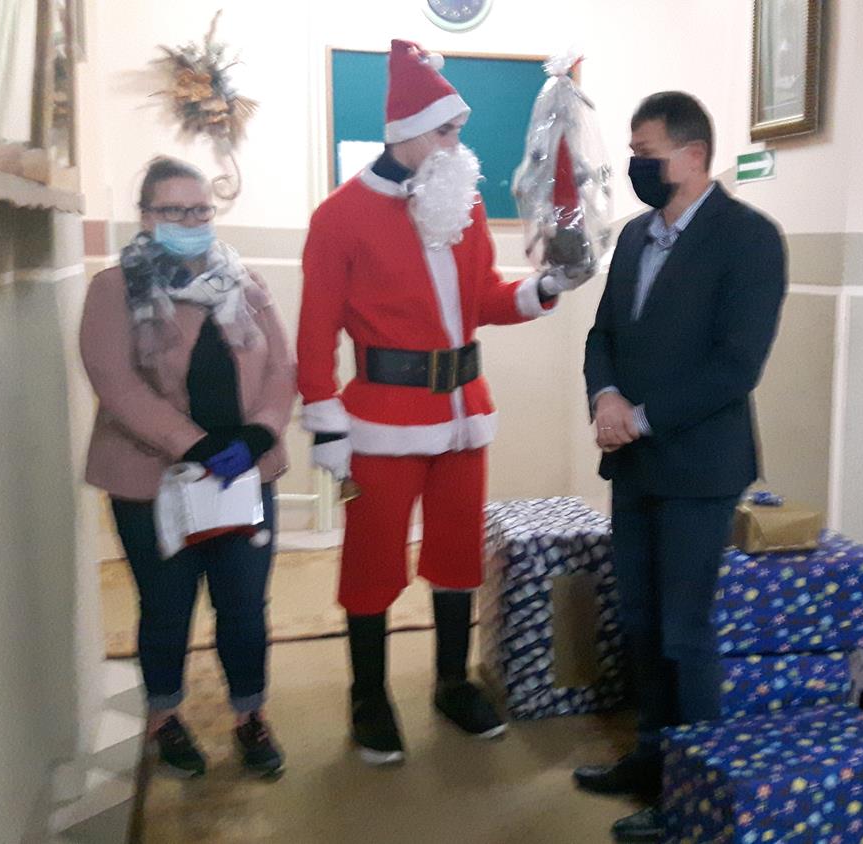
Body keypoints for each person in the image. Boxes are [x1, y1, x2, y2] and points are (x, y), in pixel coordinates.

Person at [297, 39, 592, 766]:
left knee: (458, 554)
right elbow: (315, 330)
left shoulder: (462, 201)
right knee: (372, 559)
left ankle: (452, 683)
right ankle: (368, 695)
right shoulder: (339, 217)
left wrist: (542, 289)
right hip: (382, 419)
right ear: (404, 131)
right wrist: (325, 419)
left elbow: (483, 298)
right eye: (445, 131)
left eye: (458, 131)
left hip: (463, 414)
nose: (457, 144)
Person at [574, 92, 787, 841]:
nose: (635, 165)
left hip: (700, 468)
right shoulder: (635, 236)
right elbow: (603, 334)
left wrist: (639, 417)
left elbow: (736, 366)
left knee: (684, 632)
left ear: (693, 157)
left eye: (647, 153)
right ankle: (651, 758)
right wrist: (604, 396)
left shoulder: (750, 239)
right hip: (634, 466)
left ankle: (692, 797)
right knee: (638, 622)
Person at [79, 157, 295, 780]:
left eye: (200, 210)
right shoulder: (114, 289)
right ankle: (164, 716)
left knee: (245, 604)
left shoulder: (245, 283)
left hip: (243, 476)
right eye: (174, 210)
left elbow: (282, 366)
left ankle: (250, 713)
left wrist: (261, 433)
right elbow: (116, 383)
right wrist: (193, 444)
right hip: (154, 481)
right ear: (147, 217)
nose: (191, 221)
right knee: (167, 606)